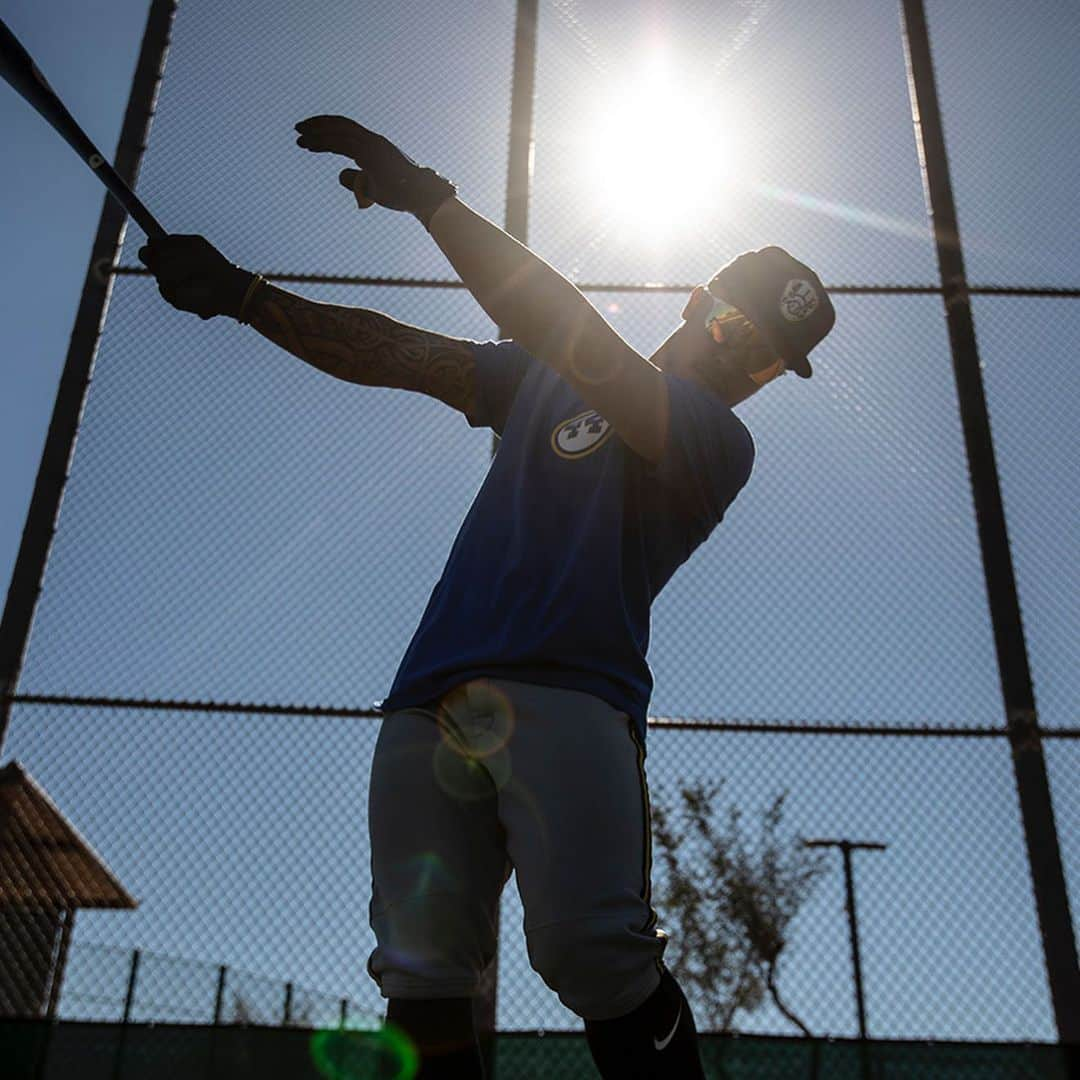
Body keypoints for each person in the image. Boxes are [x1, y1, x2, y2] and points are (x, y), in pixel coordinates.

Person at [139, 115, 835, 1079]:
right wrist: (247, 297)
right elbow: (398, 353)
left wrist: (432, 202)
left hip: (574, 696)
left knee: (591, 951)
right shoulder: (544, 378)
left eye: (762, 358)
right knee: (419, 974)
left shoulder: (719, 440)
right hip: (428, 693)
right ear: (696, 297)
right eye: (729, 324)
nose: (734, 360)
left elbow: (585, 343)